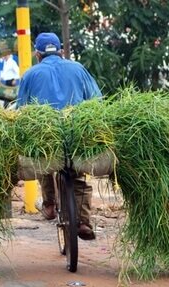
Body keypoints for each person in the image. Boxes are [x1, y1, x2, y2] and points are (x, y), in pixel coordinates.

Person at [17, 32, 102, 240]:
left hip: (48, 137)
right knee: (79, 176)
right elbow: (97, 101)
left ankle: (49, 205)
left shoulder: (30, 74)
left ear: (37, 54)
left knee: (45, 163)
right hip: (77, 135)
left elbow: (21, 110)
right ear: (61, 51)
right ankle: (83, 221)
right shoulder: (78, 68)